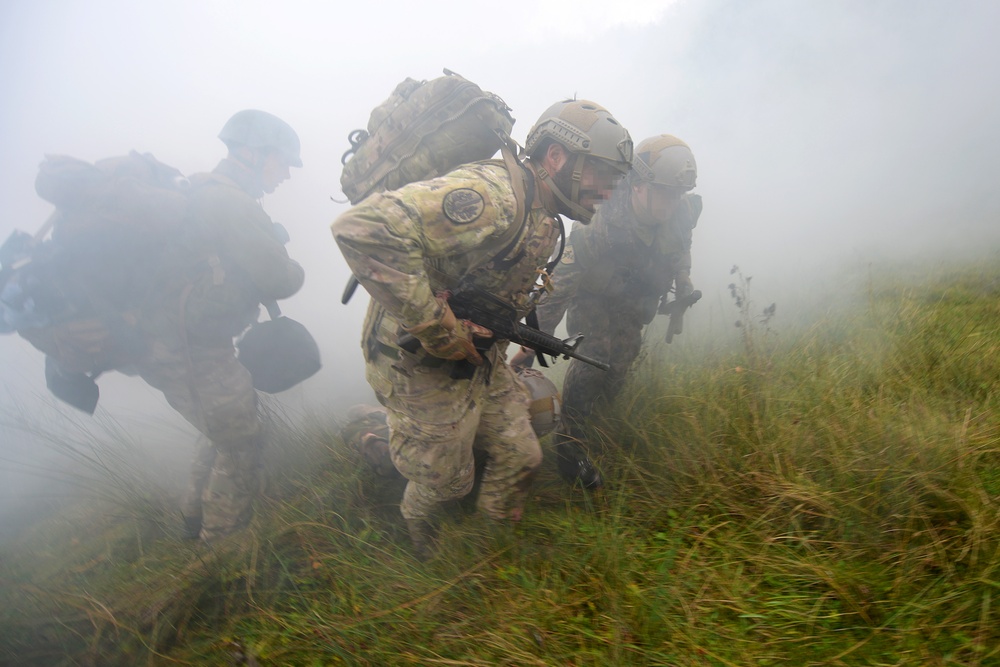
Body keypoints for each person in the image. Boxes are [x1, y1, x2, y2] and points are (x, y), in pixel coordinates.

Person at [332, 99, 633, 559]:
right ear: (557, 158)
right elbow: (361, 228)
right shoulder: (494, 196)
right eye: (600, 175)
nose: (607, 191)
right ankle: (419, 534)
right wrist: (439, 327)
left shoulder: (544, 213)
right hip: (415, 359)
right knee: (448, 480)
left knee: (523, 455)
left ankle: (491, 552)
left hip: (476, 357)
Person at [136, 109, 306, 542]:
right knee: (243, 441)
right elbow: (278, 279)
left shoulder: (204, 190)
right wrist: (295, 268)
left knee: (221, 431)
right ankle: (221, 550)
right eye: (282, 161)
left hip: (172, 344)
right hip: (191, 351)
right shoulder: (229, 201)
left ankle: (193, 521)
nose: (286, 174)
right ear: (252, 152)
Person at [510, 135, 701, 489]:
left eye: (679, 194)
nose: (673, 203)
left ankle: (596, 423)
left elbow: (680, 248)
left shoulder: (682, 212)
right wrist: (530, 345)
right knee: (594, 359)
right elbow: (562, 282)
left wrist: (683, 280)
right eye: (665, 192)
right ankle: (570, 446)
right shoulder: (601, 218)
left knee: (620, 366)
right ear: (639, 186)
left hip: (635, 300)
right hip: (594, 297)